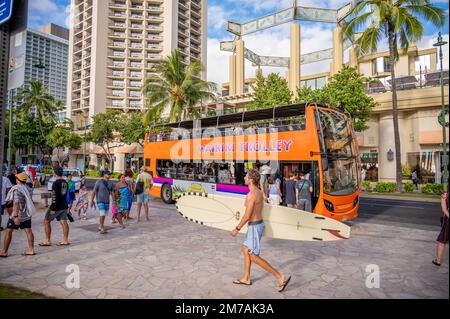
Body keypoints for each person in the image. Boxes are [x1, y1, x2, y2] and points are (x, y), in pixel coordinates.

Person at [230, 169, 291, 292]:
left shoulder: (252, 195)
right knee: (245, 249)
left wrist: (237, 228)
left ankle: (279, 276)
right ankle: (246, 278)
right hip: (257, 224)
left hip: (254, 226)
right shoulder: (258, 192)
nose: (245, 177)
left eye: (246, 176)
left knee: (253, 256)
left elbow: (247, 216)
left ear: (251, 180)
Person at [0, 172, 36, 257]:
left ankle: (4, 251)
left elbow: (16, 203)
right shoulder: (28, 188)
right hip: (27, 213)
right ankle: (31, 250)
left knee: (8, 231)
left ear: (18, 180)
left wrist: (15, 217)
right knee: (28, 230)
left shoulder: (17, 189)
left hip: (18, 214)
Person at [39, 166, 70, 247]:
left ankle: (47, 240)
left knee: (46, 221)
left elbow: (54, 197)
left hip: (56, 206)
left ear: (55, 173)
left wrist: (53, 208)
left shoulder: (55, 183)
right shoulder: (65, 182)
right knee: (64, 222)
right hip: (64, 205)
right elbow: (65, 195)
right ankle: (65, 240)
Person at [433, 190, 449, 266]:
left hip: (448, 221)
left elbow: (444, 209)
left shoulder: (445, 194)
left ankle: (438, 260)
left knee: (442, 240)